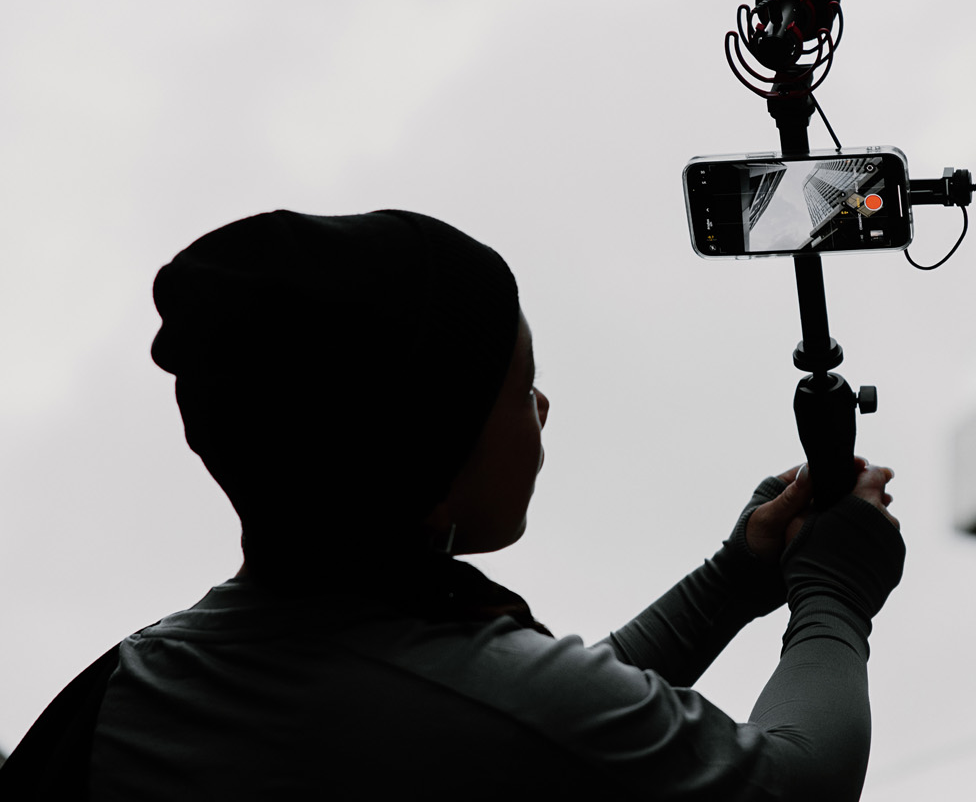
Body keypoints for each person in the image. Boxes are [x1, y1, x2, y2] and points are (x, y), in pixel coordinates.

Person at [6, 209, 905, 801]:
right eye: (521, 387)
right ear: (428, 445)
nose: (543, 408)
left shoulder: (151, 677)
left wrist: (731, 580)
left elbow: (517, 720)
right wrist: (835, 592)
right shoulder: (461, 688)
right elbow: (793, 786)